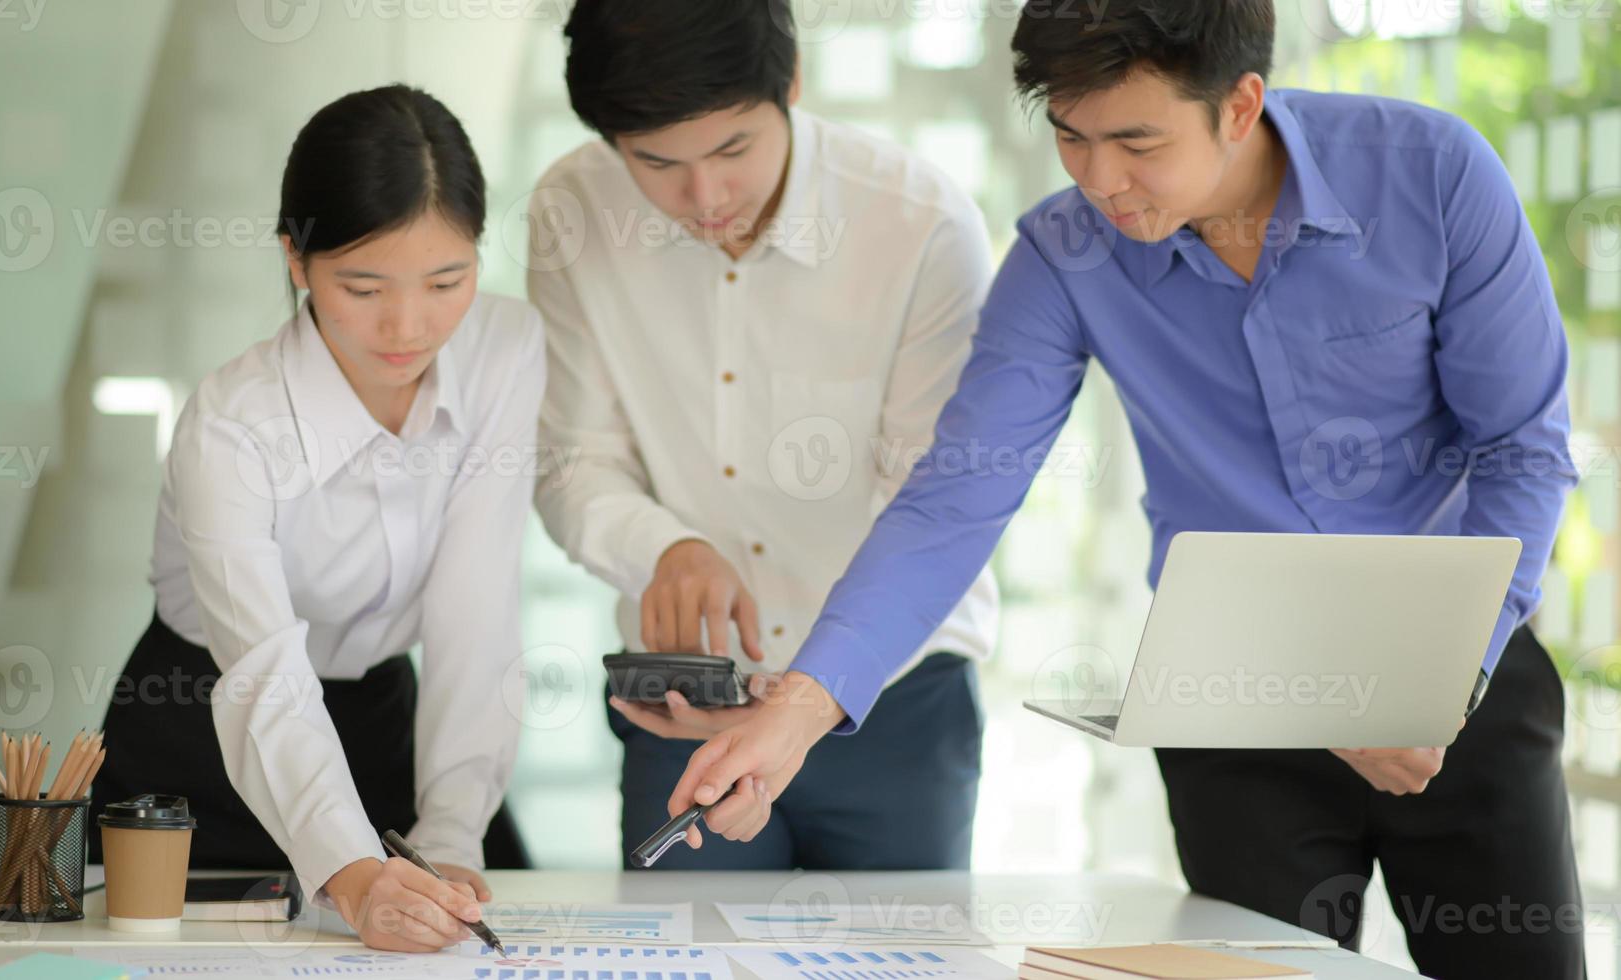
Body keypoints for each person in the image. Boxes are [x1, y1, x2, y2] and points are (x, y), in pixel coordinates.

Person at [660, 2, 1581, 976]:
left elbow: (1523, 446)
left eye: (1136, 141)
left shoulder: (1431, 175)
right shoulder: (1065, 255)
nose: (1099, 180)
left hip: (1461, 668)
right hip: (1239, 701)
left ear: (1240, 106)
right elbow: (957, 496)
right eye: (1070, 135)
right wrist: (797, 710)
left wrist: (1435, 681)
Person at [527, 0, 999, 870]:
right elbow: (569, 461)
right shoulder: (572, 210)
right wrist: (664, 548)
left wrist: (808, 695)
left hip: (891, 702)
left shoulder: (919, 223)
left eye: (732, 149)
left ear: (791, 84)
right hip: (684, 701)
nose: (702, 198)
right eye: (655, 162)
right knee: (679, 961)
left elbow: (933, 502)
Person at [89, 84, 546, 953]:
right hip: (201, 723)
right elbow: (261, 671)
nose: (409, 326)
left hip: (381, 716)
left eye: (447, 280)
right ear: (295, 259)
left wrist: (447, 830)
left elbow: (475, 608)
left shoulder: (506, 349)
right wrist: (350, 870)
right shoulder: (231, 422)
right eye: (363, 286)